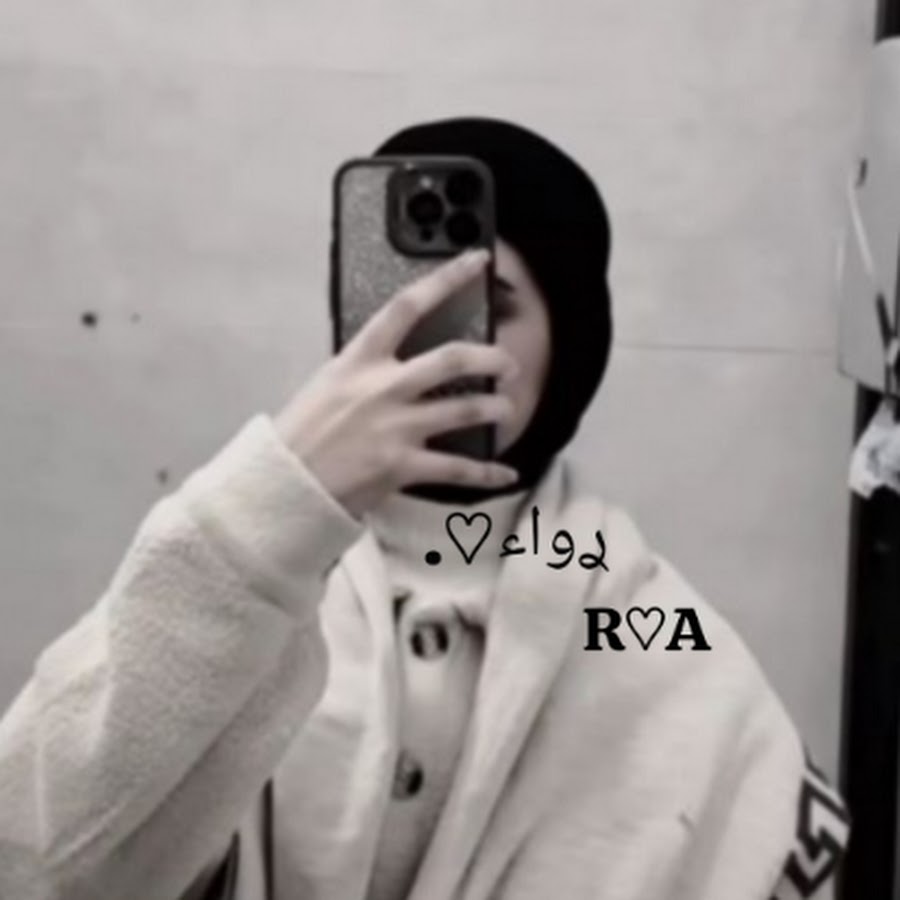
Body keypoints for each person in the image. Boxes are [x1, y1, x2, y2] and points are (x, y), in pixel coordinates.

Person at [0, 117, 850, 900]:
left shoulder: (638, 615)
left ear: (572, 340)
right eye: (400, 303)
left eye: (488, 306)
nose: (442, 346)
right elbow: (29, 849)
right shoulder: (251, 565)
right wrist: (276, 499)